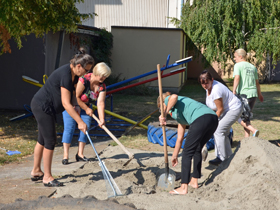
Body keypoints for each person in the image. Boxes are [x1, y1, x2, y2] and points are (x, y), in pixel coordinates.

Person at [30, 51, 94, 187]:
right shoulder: (65, 74)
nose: (86, 74)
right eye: (86, 70)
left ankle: (36, 171)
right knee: (50, 140)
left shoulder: (75, 76)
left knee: (42, 139)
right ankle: (47, 177)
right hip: (42, 106)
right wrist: (80, 121)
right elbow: (65, 103)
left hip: (46, 107)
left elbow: (73, 97)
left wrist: (77, 107)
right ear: (78, 66)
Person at [158, 92, 218, 195]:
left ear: (163, 103)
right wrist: (175, 155)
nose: (162, 112)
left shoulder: (168, 99)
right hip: (212, 119)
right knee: (197, 148)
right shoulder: (180, 114)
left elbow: (174, 96)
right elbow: (180, 138)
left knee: (187, 152)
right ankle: (194, 181)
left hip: (202, 118)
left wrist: (165, 111)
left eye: (161, 108)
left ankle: (183, 187)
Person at [61, 62, 111, 165]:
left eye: (106, 76)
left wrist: (101, 119)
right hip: (72, 105)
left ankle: (80, 154)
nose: (103, 78)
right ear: (97, 72)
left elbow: (100, 103)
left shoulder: (102, 86)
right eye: (102, 75)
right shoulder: (84, 79)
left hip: (87, 108)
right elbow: (77, 97)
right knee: (69, 128)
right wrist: (84, 108)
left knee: (85, 128)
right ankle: (65, 156)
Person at [199, 70, 243, 166]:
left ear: (212, 80)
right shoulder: (208, 88)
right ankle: (229, 158)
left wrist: (212, 122)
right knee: (223, 132)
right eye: (202, 83)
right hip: (226, 109)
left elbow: (220, 109)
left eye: (207, 83)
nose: (205, 86)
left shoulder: (216, 90)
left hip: (234, 108)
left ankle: (222, 159)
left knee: (219, 130)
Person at [232, 49, 264, 137]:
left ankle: (254, 130)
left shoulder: (238, 65)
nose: (234, 59)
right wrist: (260, 94)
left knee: (238, 117)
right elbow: (257, 82)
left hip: (244, 95)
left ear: (240, 56)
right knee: (246, 117)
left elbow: (237, 78)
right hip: (253, 94)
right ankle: (247, 140)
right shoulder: (252, 67)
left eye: (235, 57)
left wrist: (234, 91)